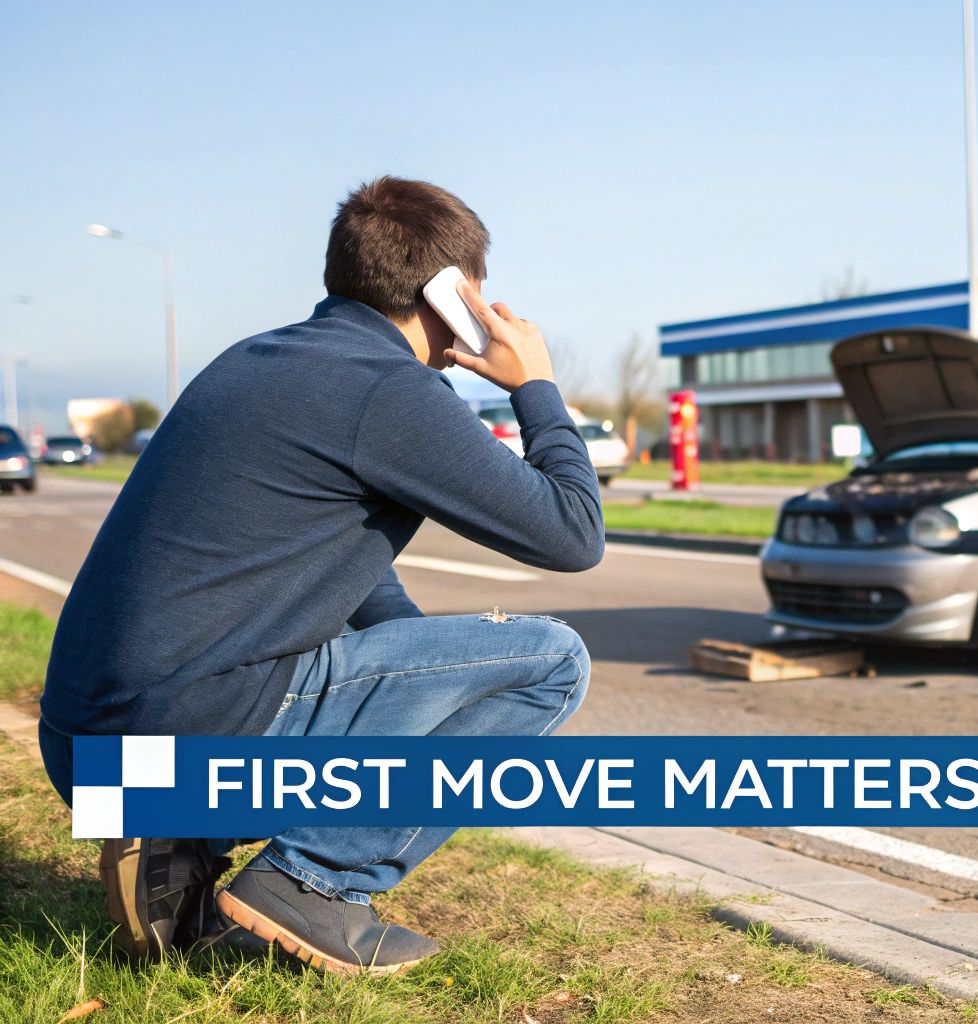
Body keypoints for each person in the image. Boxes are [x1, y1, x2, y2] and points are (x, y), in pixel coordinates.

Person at [37, 176, 606, 974]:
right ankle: (312, 883)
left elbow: (350, 573)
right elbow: (574, 534)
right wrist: (536, 386)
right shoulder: (387, 389)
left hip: (89, 758)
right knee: (550, 662)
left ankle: (178, 845)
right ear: (451, 295)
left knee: (393, 658)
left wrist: (430, 693)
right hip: (182, 736)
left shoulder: (257, 358)